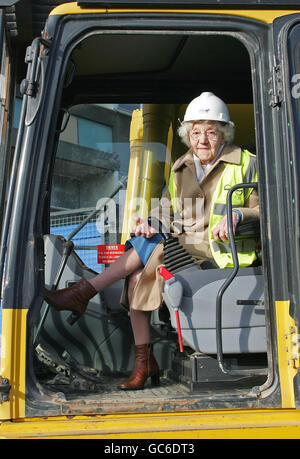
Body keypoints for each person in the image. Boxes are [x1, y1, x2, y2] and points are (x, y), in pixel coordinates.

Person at [45, 92, 259, 390]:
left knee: (146, 251)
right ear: (188, 134)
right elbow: (168, 211)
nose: (203, 140)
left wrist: (238, 215)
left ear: (224, 133)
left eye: (210, 132)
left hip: (221, 253)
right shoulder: (181, 166)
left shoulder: (248, 164)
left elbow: (268, 211)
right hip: (185, 248)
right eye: (196, 132)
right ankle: (144, 362)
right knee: (135, 275)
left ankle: (84, 293)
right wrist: (150, 223)